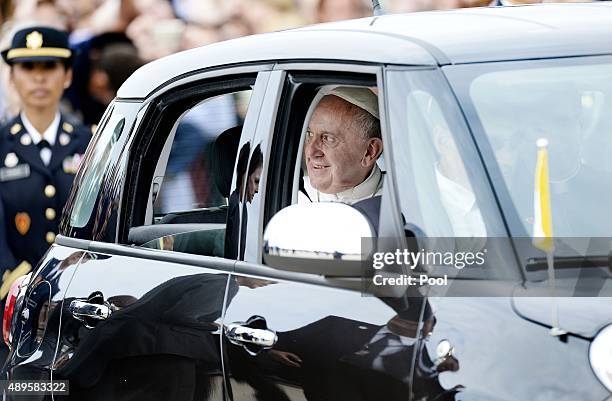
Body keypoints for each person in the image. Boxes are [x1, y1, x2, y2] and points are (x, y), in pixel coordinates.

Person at [0, 26, 92, 287]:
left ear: (67, 76)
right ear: (12, 77)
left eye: (49, 67)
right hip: (15, 292)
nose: (39, 78)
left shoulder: (89, 141)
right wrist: (13, 280)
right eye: (28, 68)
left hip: (78, 289)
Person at [300, 87, 383, 205]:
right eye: (310, 134)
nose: (310, 151)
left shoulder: (402, 207)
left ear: (370, 151)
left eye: (328, 138)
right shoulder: (290, 198)